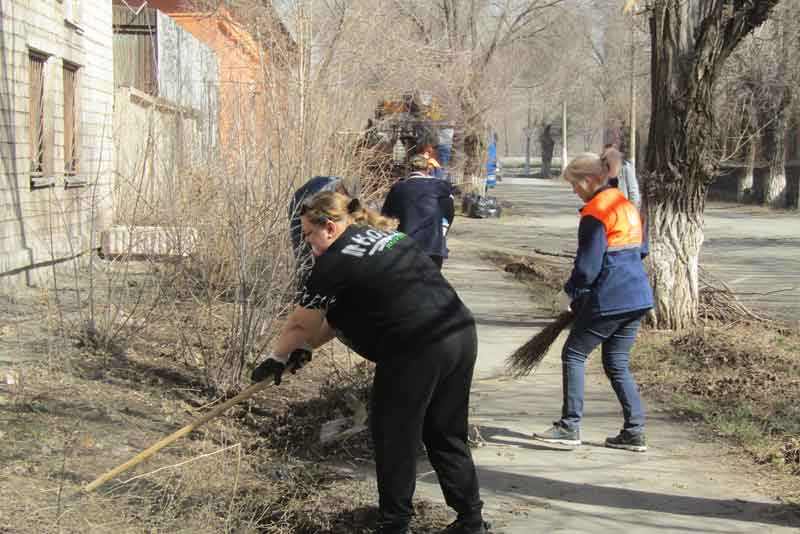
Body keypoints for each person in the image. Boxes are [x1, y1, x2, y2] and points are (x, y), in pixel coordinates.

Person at [251, 191, 488, 534]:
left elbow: (300, 323)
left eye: (307, 233)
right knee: (445, 432)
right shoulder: (387, 237)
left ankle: (394, 524)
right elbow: (336, 318)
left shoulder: (332, 262)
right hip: (459, 333)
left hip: (414, 346)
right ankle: (471, 520)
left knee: (394, 435)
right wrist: (304, 349)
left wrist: (275, 358)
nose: (305, 241)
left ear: (329, 227)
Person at [532, 149, 653, 453]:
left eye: (574, 184)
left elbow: (587, 268)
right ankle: (634, 431)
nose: (574, 191)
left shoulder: (595, 212)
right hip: (638, 295)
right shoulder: (625, 206)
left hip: (611, 297)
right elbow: (641, 250)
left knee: (573, 354)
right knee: (617, 363)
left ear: (588, 180)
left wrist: (571, 291)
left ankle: (569, 426)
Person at [382, 155, 455, 270]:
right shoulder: (440, 186)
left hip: (405, 245)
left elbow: (386, 216)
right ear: (428, 170)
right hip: (433, 246)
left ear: (408, 170)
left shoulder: (398, 188)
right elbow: (449, 211)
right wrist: (444, 231)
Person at [604, 144, 641, 211]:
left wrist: (632, 211)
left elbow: (633, 192)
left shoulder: (626, 168)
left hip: (622, 209)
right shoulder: (604, 170)